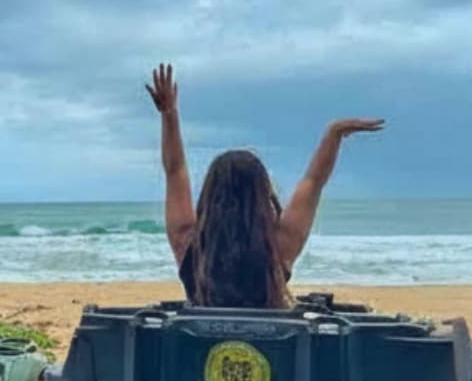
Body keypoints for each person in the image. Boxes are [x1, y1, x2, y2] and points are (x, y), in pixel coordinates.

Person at [145, 63, 384, 307]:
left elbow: (175, 172)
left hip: (200, 334)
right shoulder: (279, 245)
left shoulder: (187, 240)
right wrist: (334, 134)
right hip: (271, 334)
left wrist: (169, 114)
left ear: (209, 195)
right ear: (263, 195)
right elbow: (313, 182)